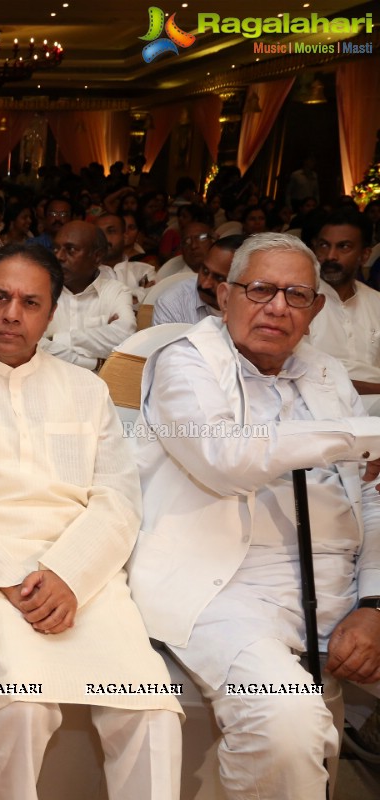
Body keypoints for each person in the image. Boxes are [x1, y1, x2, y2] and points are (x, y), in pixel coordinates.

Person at [132, 232, 380, 800]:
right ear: (224, 295)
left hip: (340, 589)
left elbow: (370, 495)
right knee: (288, 726)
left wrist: (374, 602)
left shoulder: (325, 374)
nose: (277, 307)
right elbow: (226, 457)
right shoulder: (185, 363)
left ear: (316, 310)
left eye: (297, 295)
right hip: (226, 592)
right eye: (261, 289)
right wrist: (363, 434)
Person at [0, 243, 182, 799]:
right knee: (20, 704)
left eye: (29, 302)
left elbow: (118, 498)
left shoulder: (86, 391)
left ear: (52, 314)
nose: (11, 314)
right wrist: (6, 575)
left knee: (152, 714)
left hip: (84, 579)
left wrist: (69, 574)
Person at [40, 221, 135, 370]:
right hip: (49, 385)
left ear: (97, 257)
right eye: (56, 249)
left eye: (70, 250)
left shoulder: (116, 292)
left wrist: (56, 339)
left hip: (101, 390)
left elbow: (125, 340)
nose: (59, 256)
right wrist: (95, 363)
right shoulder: (39, 292)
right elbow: (32, 346)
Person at [306, 208, 380, 395]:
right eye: (324, 245)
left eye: (343, 247)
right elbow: (303, 375)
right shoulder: (299, 300)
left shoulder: (376, 302)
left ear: (364, 255)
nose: (331, 256)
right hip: (319, 404)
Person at [151, 234, 242, 326]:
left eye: (219, 278)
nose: (205, 284)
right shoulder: (172, 304)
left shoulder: (253, 304)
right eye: (205, 271)